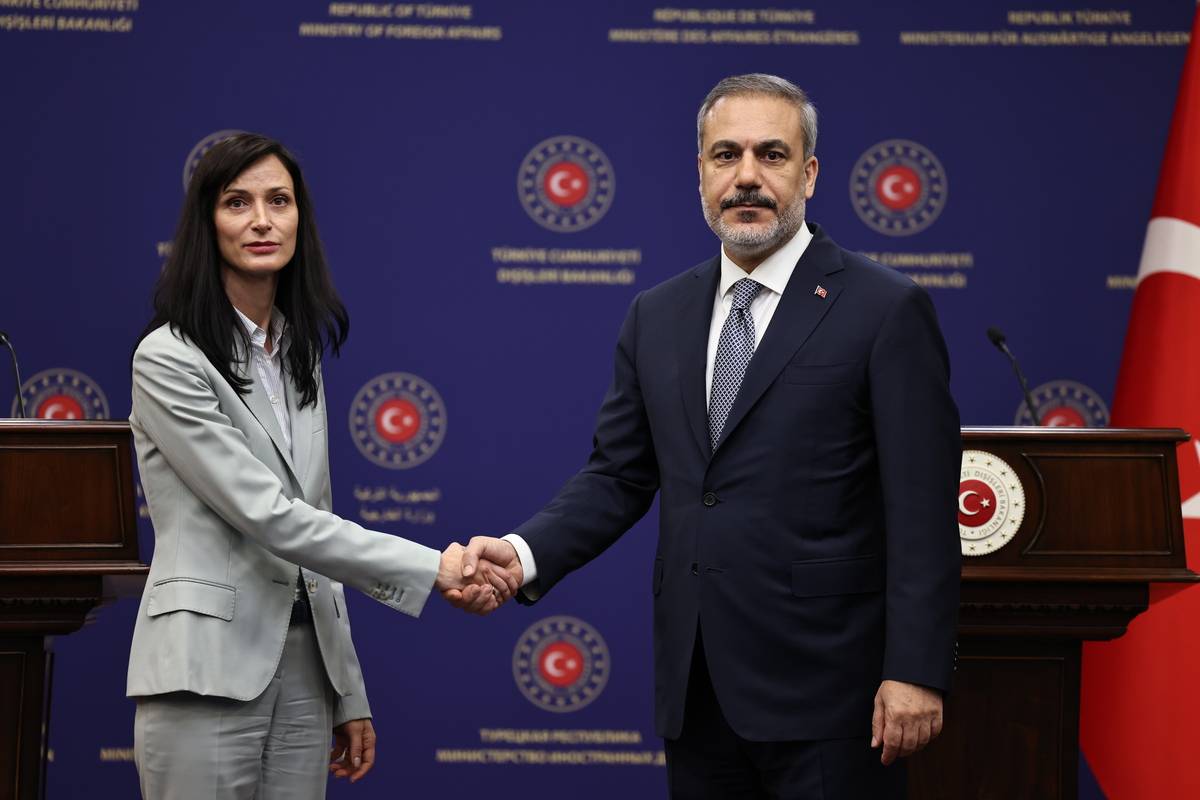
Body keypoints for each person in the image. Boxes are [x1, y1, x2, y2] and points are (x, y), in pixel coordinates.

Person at [455, 74, 962, 798]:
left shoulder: (884, 309)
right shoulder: (657, 315)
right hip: (697, 696)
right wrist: (523, 553)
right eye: (726, 155)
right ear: (700, 173)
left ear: (809, 173)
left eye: (772, 155)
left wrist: (913, 670)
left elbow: (922, 512)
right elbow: (618, 477)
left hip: (835, 701)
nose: (747, 177)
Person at [127, 133, 514, 799]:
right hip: (205, 667)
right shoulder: (169, 358)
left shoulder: (297, 354)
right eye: (237, 203)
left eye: (278, 201)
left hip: (307, 672)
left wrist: (347, 688)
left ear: (299, 218)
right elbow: (268, 517)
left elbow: (315, 519)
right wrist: (436, 567)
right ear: (206, 223)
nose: (260, 220)